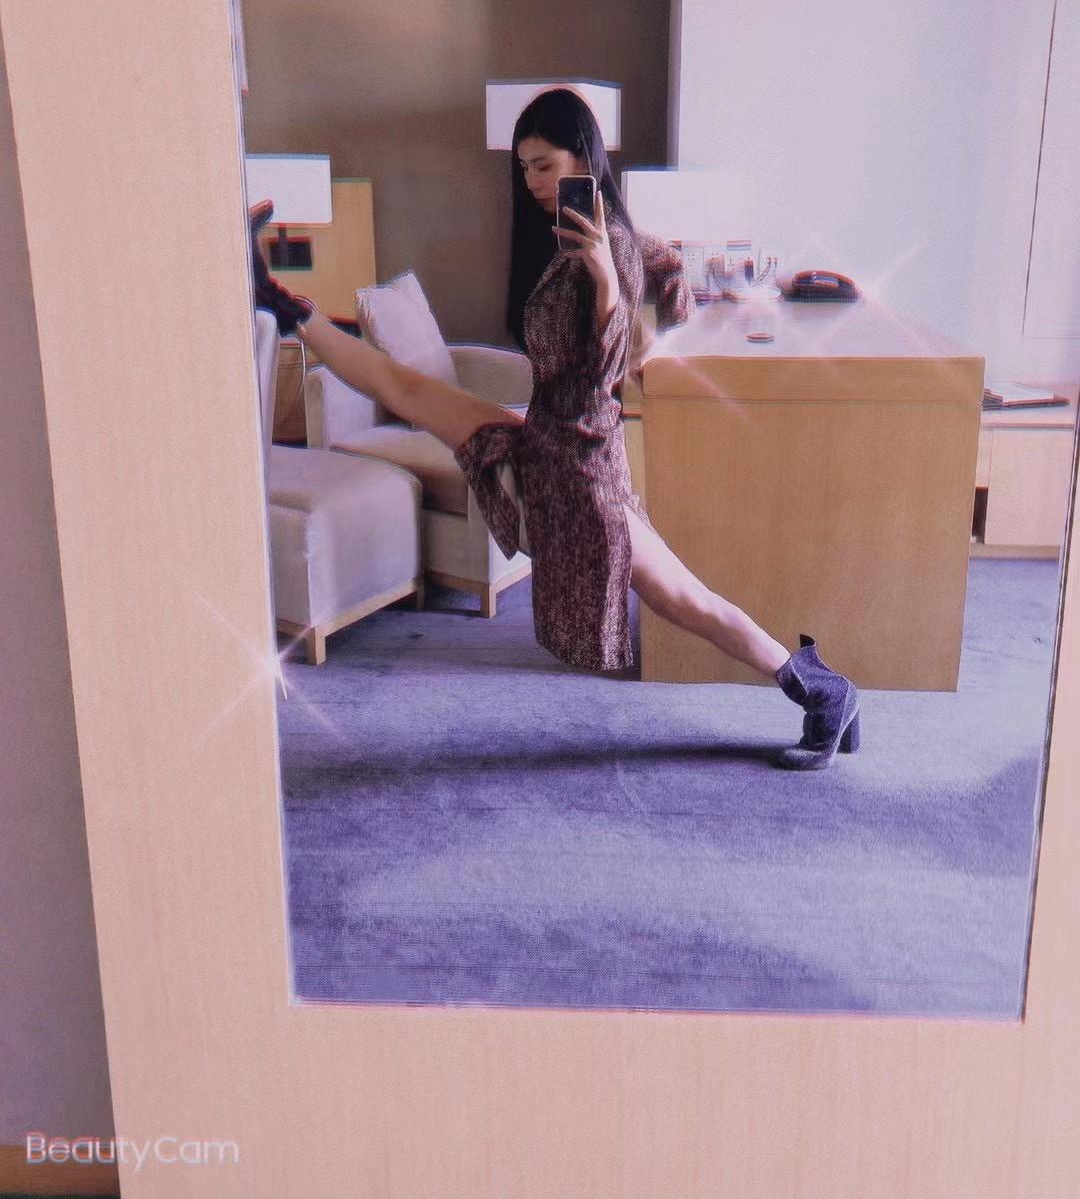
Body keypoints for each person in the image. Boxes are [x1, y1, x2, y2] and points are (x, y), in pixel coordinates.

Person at [249, 89, 860, 770]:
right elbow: (662, 266)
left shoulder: (608, 246)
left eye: (545, 165)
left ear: (583, 158)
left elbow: (610, 352)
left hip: (586, 468)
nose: (534, 182)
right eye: (524, 168)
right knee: (409, 389)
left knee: (684, 600)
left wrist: (607, 282)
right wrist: (664, 303)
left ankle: (823, 691)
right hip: (544, 436)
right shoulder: (578, 236)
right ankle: (280, 301)